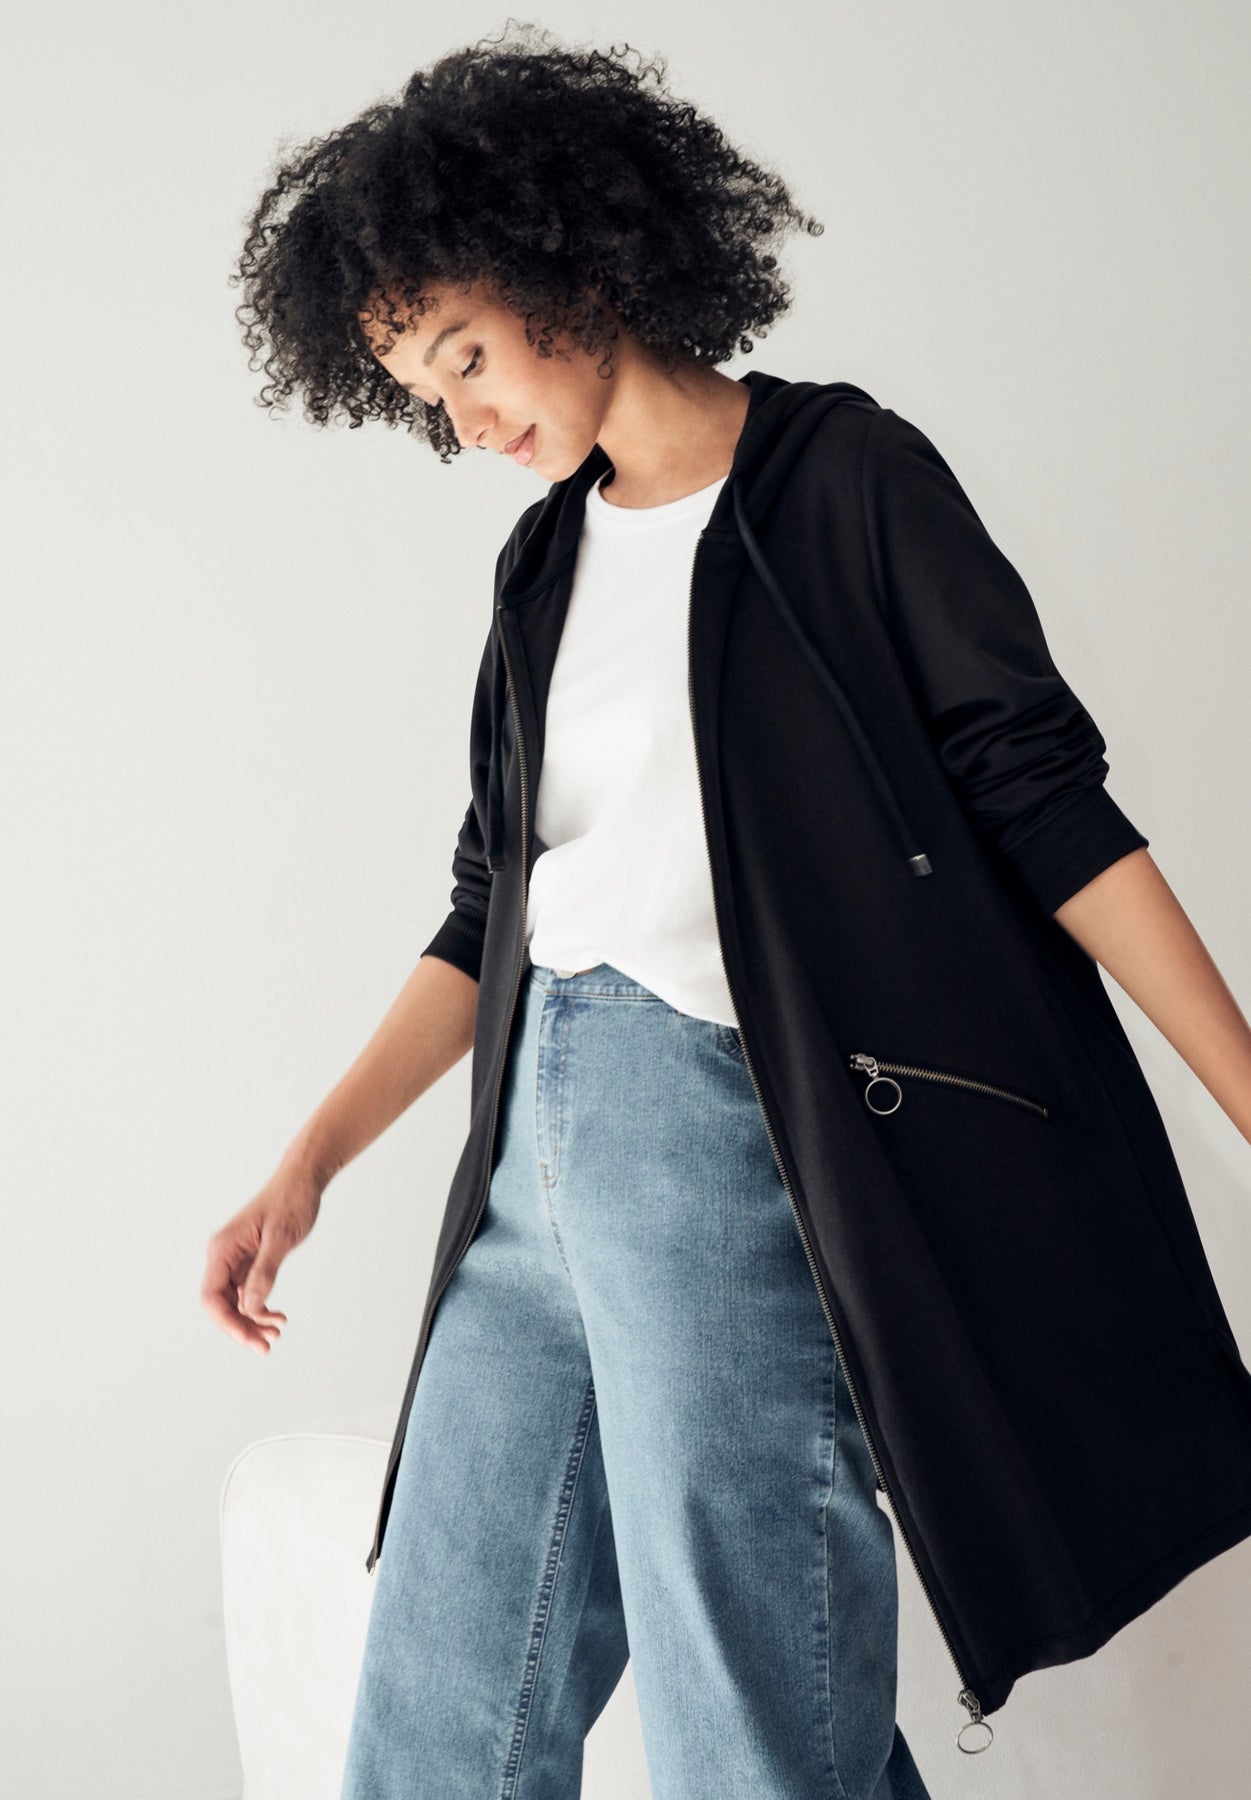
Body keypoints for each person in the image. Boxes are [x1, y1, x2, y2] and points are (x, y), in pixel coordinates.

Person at [201, 22, 1251, 1799]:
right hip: (523, 1173)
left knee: (744, 1727)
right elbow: (489, 908)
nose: (462, 421)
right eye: (426, 393)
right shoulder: (544, 561)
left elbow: (1049, 808)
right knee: (441, 1715)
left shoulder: (845, 480)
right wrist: (308, 1165)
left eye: (467, 357)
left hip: (726, 1149)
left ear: (570, 263)